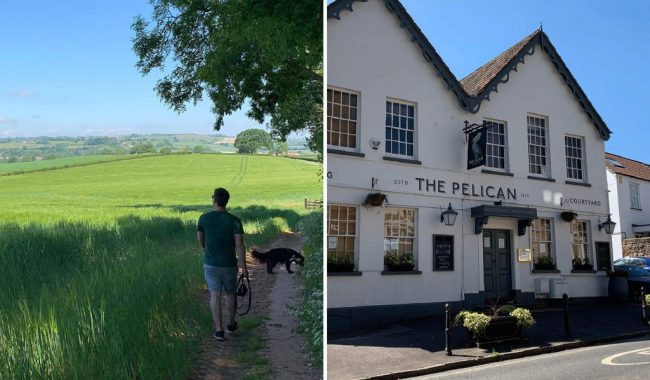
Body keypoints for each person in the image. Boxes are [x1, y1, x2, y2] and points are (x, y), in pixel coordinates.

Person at [197, 187, 249, 341]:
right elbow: (240, 245)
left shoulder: (204, 218)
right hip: (229, 264)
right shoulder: (234, 221)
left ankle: (219, 331)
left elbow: (200, 239)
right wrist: (244, 267)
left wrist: (207, 249)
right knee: (230, 294)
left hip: (211, 264)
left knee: (215, 295)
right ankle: (231, 325)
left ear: (214, 199)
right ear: (227, 201)